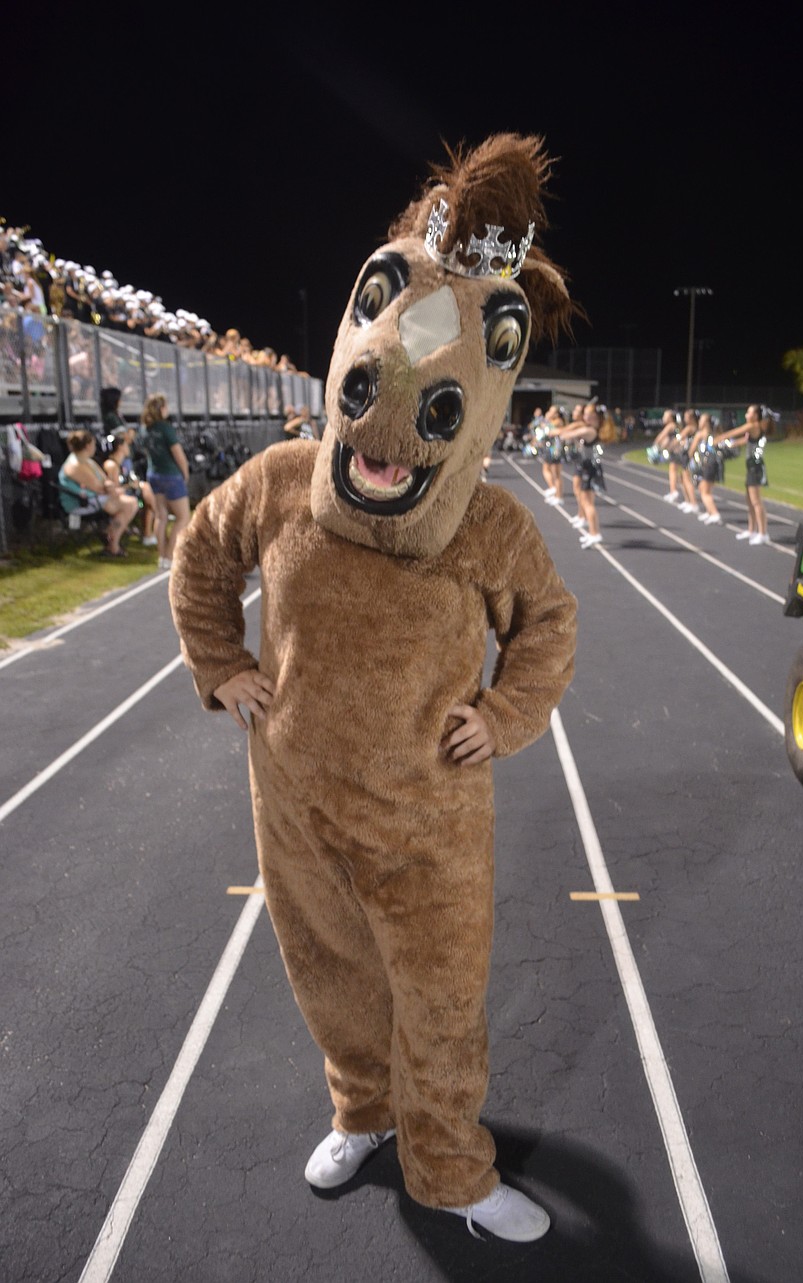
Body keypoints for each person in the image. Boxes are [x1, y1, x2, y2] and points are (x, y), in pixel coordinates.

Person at [169, 133, 578, 1243]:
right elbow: (200, 558)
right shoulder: (277, 482)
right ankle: (361, 1110)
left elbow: (549, 624)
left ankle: (451, 1169)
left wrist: (505, 713)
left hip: (427, 821)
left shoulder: (487, 525)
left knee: (439, 1003)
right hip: (294, 806)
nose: (388, 434)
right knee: (329, 978)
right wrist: (222, 665)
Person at [57, 429, 138, 555]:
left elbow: (105, 481)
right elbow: (98, 488)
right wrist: (110, 488)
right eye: (94, 444)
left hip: (95, 497)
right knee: (129, 504)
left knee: (131, 502)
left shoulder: (88, 461)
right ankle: (112, 544)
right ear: (88, 446)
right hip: (80, 502)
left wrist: (110, 487)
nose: (95, 447)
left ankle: (111, 538)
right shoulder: (74, 465)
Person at [139, 393, 190, 570]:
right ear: (161, 409)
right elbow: (178, 454)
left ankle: (162, 557)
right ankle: (170, 555)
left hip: (154, 474)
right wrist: (185, 473)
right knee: (183, 517)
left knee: (161, 516)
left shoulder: (145, 428)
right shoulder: (165, 428)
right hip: (171, 474)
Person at [715, 403, 771, 545]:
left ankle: (763, 533)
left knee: (756, 502)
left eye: (749, 412)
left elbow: (735, 432)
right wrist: (730, 444)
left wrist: (719, 438)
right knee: (750, 501)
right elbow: (743, 440)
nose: (746, 414)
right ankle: (752, 530)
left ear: (755, 416)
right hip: (751, 467)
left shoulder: (753, 425)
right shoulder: (753, 428)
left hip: (755, 468)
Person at [102, 428, 157, 546]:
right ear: (120, 447)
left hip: (130, 495)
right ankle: (149, 531)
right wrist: (131, 485)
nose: (129, 447)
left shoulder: (123, 462)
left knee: (146, 492)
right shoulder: (111, 465)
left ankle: (149, 530)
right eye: (126, 445)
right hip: (118, 499)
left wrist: (133, 484)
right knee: (146, 496)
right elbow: (115, 491)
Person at [561, 403, 604, 547]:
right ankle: (593, 532)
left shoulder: (589, 430)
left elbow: (566, 434)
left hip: (589, 468)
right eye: (584, 414)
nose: (585, 417)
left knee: (588, 503)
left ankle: (594, 533)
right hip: (587, 467)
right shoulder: (589, 429)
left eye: (587, 415)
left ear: (594, 417)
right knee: (587, 501)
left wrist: (574, 426)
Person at [688, 413, 723, 525]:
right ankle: (709, 512)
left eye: (701, 420)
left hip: (706, 465)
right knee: (705, 489)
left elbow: (691, 450)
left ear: (706, 423)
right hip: (714, 465)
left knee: (705, 492)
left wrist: (692, 458)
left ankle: (715, 514)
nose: (699, 422)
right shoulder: (715, 434)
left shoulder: (700, 434)